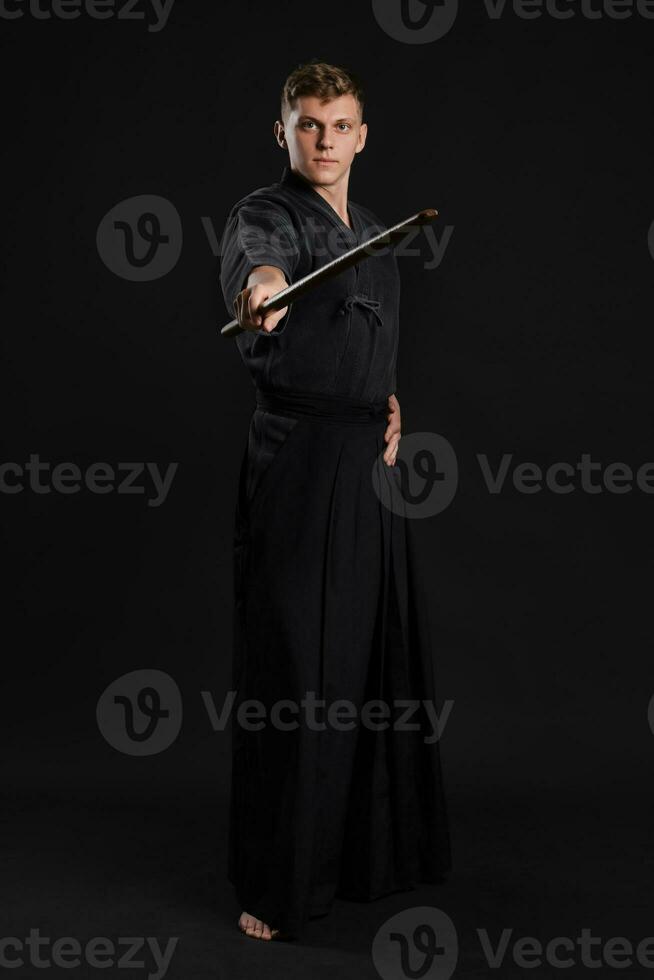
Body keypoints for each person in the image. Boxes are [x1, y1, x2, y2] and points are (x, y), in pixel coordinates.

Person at [218, 59, 451, 942]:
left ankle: (364, 858)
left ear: (362, 133)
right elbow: (259, 272)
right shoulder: (263, 215)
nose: (323, 140)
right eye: (307, 124)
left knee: (367, 663)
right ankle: (277, 881)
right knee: (296, 673)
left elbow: (370, 345)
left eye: (339, 124)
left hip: (366, 466)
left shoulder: (379, 231)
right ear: (282, 131)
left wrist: (388, 404)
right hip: (298, 464)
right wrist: (263, 295)